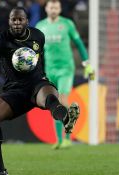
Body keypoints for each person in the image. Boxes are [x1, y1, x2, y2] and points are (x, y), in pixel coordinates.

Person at [0, 7, 80, 175]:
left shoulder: (38, 36)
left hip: (37, 84)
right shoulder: (1, 38)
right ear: (9, 21)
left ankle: (67, 119)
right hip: (14, 90)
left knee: (50, 99)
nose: (17, 23)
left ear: (26, 21)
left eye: (20, 20)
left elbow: (41, 61)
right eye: (14, 20)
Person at [36, 0, 94, 149]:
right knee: (54, 102)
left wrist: (86, 64)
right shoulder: (40, 26)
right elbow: (37, 52)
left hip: (66, 69)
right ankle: (59, 140)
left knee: (62, 99)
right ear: (47, 8)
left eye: (56, 7)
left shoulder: (67, 24)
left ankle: (68, 137)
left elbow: (79, 43)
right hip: (50, 70)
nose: (54, 9)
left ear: (60, 9)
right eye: (51, 7)